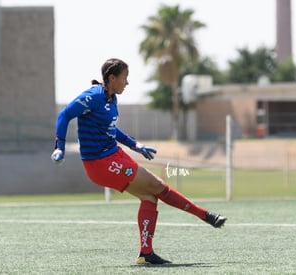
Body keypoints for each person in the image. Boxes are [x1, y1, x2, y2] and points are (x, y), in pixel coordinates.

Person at [51, 58, 227, 265]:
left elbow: (110, 129)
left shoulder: (111, 99)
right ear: (112, 77)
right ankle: (205, 215)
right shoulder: (92, 97)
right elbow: (64, 115)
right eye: (125, 78)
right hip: (100, 163)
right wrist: (59, 147)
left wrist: (136, 146)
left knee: (150, 198)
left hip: (114, 155)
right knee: (158, 186)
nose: (127, 83)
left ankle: (146, 253)